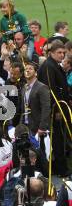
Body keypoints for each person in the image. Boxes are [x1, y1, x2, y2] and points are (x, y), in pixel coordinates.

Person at [37, 40, 70, 176]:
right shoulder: (49, 66)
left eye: (63, 53)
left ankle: (59, 166)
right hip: (55, 109)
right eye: (59, 53)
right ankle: (61, 169)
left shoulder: (54, 64)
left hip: (61, 106)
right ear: (51, 53)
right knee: (57, 139)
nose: (62, 55)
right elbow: (51, 91)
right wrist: (56, 110)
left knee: (60, 138)